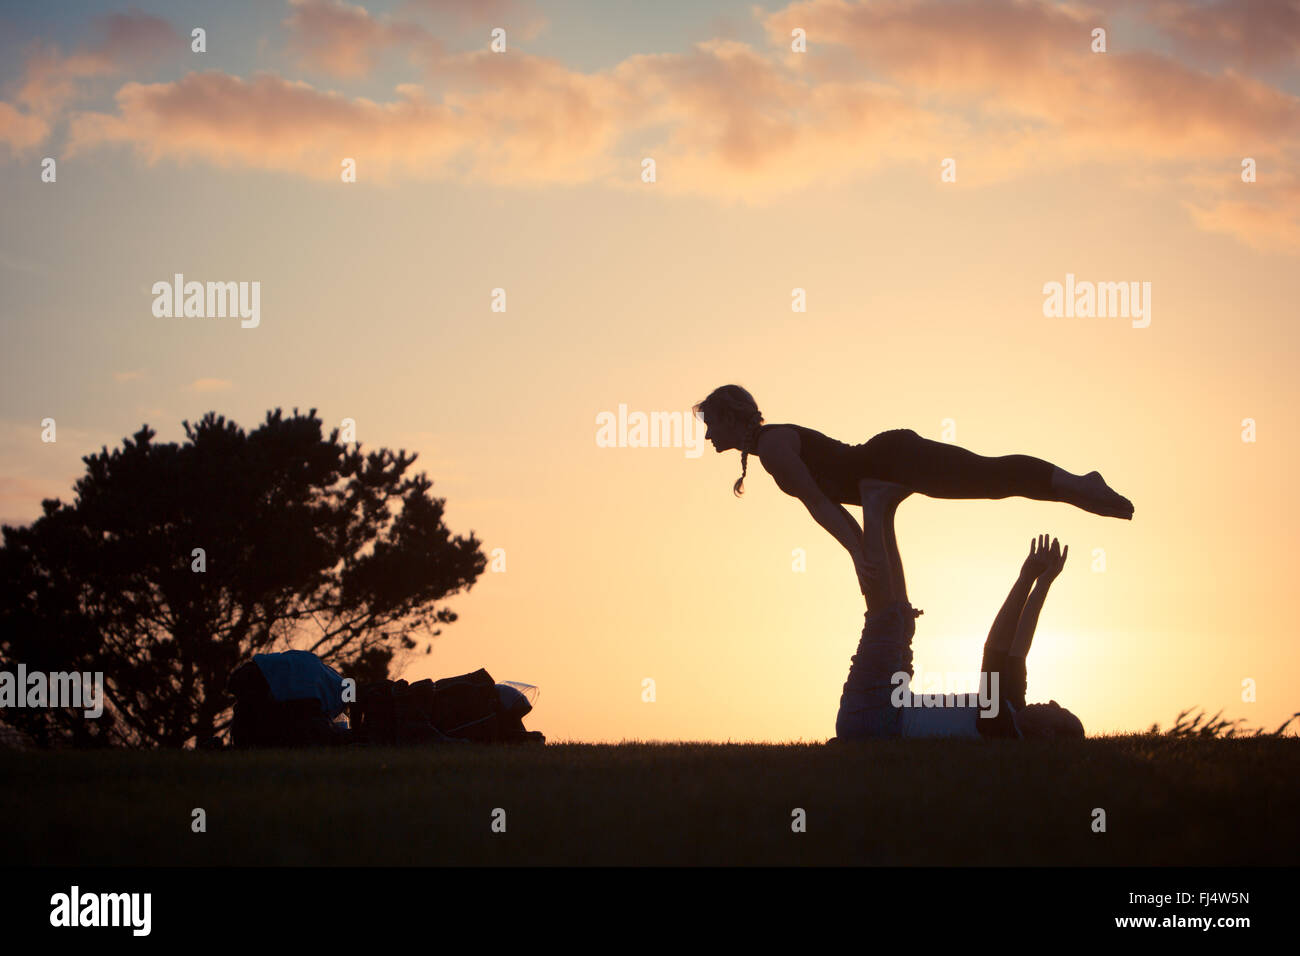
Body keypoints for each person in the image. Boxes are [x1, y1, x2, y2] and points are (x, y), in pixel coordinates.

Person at [692, 384, 1133, 602]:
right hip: (890, 464)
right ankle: (1072, 487)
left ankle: (1078, 483)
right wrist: (860, 550)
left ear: (732, 419)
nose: (708, 433)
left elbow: (821, 505)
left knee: (989, 476)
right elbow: (826, 508)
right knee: (991, 480)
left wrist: (858, 551)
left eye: (711, 422)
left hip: (894, 460)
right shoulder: (769, 447)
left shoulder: (772, 448)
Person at [831, 479, 1085, 740]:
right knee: (902, 619)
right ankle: (885, 512)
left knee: (888, 620)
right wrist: (1040, 581)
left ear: (1047, 733)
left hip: (874, 721)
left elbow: (995, 649)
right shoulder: (1012, 706)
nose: (1054, 702)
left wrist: (1025, 580)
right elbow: (1019, 647)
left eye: (1061, 712)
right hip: (891, 707)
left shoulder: (1002, 728)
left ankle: (872, 504)